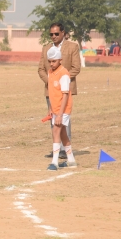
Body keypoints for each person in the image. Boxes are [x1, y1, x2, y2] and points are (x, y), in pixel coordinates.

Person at [37, 23, 80, 161]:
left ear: (63, 33)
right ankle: (57, 148)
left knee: (64, 121)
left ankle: (64, 151)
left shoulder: (72, 47)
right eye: (51, 34)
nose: (53, 36)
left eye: (56, 34)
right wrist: (51, 82)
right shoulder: (46, 48)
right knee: (53, 120)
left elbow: (76, 68)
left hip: (65, 89)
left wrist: (61, 79)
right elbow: (41, 69)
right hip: (51, 90)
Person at [45, 46, 77, 171]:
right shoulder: (50, 72)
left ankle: (55, 162)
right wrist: (51, 108)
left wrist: (59, 114)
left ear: (60, 60)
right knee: (63, 134)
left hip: (63, 109)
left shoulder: (64, 74)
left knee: (56, 131)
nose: (51, 64)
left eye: (54, 61)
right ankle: (71, 160)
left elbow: (65, 95)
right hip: (55, 109)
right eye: (50, 61)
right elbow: (51, 92)